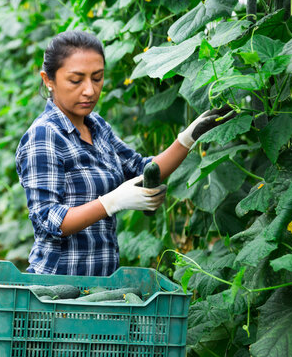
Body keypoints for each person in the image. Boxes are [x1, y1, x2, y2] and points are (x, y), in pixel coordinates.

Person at [16, 31, 234, 277]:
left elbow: (143, 170)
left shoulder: (96, 126)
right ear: (49, 80)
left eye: (97, 78)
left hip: (102, 281)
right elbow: (48, 219)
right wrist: (111, 202)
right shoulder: (44, 136)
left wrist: (188, 138)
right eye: (76, 80)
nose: (89, 90)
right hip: (57, 285)